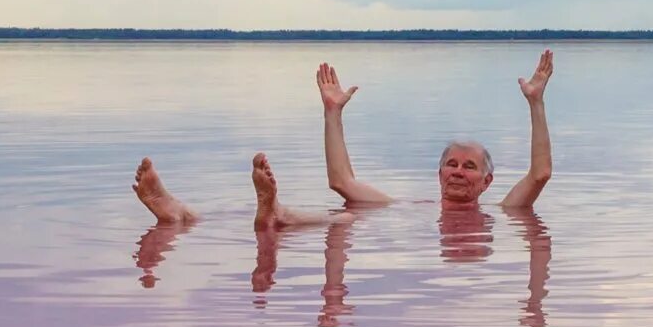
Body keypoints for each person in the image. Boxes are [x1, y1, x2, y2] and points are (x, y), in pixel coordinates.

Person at [129, 48, 556, 233]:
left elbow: (539, 174)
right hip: (395, 225)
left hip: (389, 231)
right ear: (438, 173)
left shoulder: (505, 214)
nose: (459, 172)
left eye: (470, 166)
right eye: (452, 164)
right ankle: (181, 214)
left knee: (346, 220)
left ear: (487, 182)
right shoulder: (404, 208)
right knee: (349, 214)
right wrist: (332, 112)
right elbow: (342, 181)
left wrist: (535, 103)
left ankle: (272, 213)